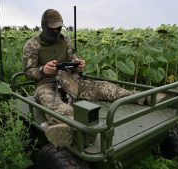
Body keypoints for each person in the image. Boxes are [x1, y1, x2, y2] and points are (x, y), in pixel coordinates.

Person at [22, 9, 143, 147]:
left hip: (70, 81)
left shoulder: (65, 41)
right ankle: (82, 130)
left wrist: (78, 65)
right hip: (46, 84)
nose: (56, 31)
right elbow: (27, 71)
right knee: (51, 103)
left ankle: (143, 97)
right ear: (44, 26)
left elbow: (73, 59)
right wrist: (42, 70)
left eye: (59, 27)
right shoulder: (32, 44)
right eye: (53, 28)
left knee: (104, 87)